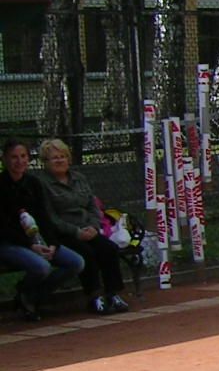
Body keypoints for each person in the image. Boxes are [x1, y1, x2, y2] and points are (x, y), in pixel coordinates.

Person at [36, 137, 129, 315]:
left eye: (62, 156)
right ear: (45, 162)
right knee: (86, 253)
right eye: (54, 158)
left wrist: (94, 226)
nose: (59, 160)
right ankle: (94, 297)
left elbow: (93, 206)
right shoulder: (42, 184)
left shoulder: (79, 179)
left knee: (108, 248)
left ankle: (113, 294)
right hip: (64, 233)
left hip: (89, 228)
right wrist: (76, 232)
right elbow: (50, 217)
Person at [0, 137, 84, 322]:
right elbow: (3, 228)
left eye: (23, 156)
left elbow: (44, 217)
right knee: (42, 267)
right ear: (4, 159)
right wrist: (30, 246)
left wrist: (52, 243)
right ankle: (26, 295)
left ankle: (31, 296)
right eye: (14, 157)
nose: (19, 161)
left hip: (36, 239)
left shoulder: (33, 183)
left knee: (76, 263)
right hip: (9, 243)